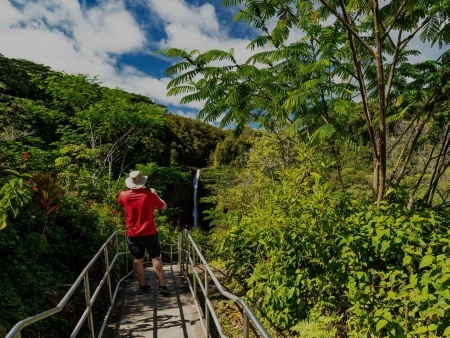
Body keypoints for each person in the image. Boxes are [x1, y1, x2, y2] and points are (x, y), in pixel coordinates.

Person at [118, 170, 170, 296]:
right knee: (155, 257)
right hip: (149, 232)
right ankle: (162, 286)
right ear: (143, 182)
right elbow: (163, 207)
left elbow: (120, 204)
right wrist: (155, 194)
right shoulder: (149, 195)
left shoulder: (123, 195)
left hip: (132, 233)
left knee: (137, 259)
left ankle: (142, 286)